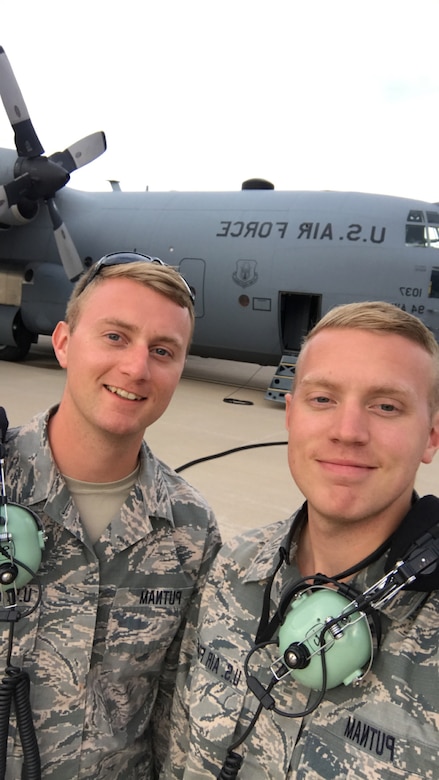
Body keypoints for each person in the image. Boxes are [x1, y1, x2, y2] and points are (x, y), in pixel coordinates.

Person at [162, 301, 439, 780]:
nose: (348, 432)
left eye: (386, 406)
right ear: (290, 416)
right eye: (323, 399)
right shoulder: (232, 570)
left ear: (432, 435)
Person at [1, 252, 221, 779]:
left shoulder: (190, 529)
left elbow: (175, 715)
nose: (136, 368)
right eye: (115, 336)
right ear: (62, 343)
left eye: (163, 351)